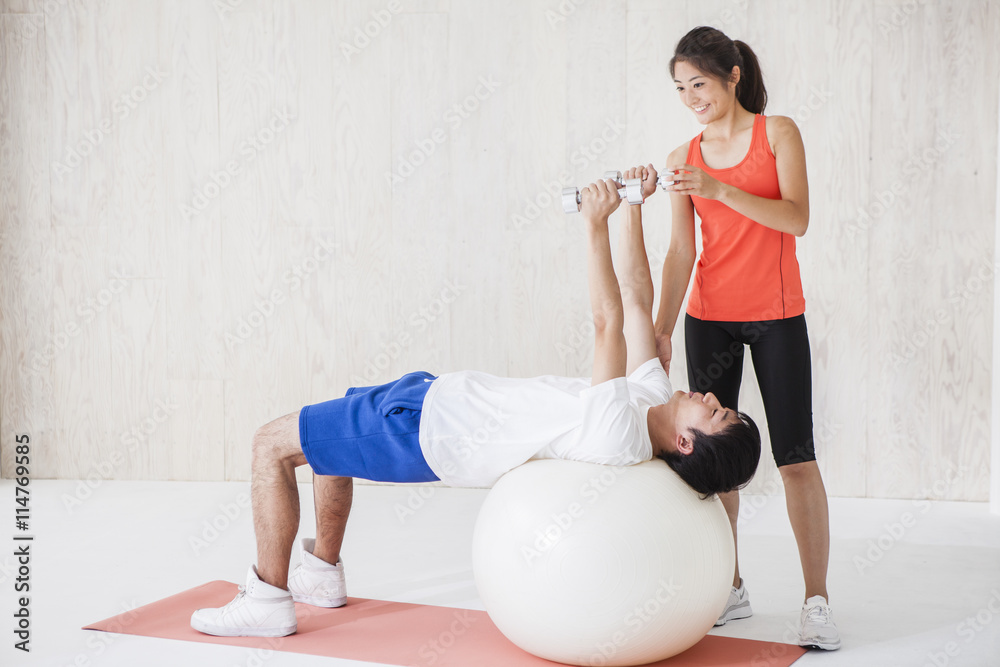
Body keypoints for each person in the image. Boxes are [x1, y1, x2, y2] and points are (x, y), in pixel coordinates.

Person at [189, 171, 762, 638]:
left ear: (687, 443)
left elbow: (606, 321)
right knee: (328, 436)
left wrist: (594, 226)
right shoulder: (654, 399)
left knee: (272, 445)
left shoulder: (620, 435)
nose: (711, 396)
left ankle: (266, 596)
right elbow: (637, 300)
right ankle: (320, 572)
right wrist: (634, 205)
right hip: (433, 396)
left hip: (426, 430)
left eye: (714, 412)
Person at [651, 26, 839, 650]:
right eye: (680, 88)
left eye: (698, 83)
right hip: (710, 317)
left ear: (732, 75)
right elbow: (681, 252)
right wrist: (660, 327)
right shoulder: (681, 157)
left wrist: (721, 189)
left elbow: (797, 218)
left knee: (796, 458)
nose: (690, 98)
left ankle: (816, 601)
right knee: (715, 465)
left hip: (777, 314)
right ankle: (729, 585)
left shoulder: (777, 133)